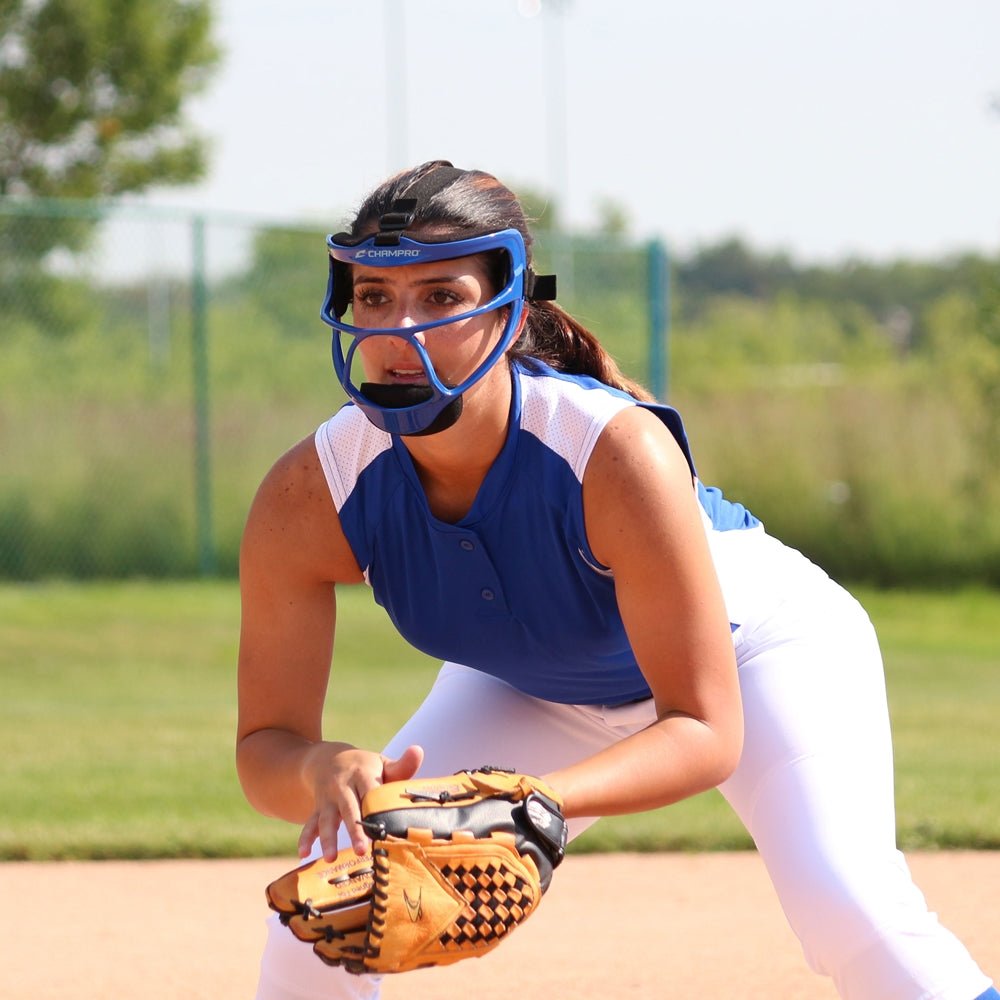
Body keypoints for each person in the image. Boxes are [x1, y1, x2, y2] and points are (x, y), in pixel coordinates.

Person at [236, 159, 997, 1000]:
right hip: (532, 685)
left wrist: (533, 804)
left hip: (758, 653)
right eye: (375, 297)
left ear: (511, 309)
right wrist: (318, 768)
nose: (398, 328)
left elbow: (706, 729)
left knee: (851, 911)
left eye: (442, 297)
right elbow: (264, 745)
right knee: (329, 906)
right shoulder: (314, 491)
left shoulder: (612, 451)